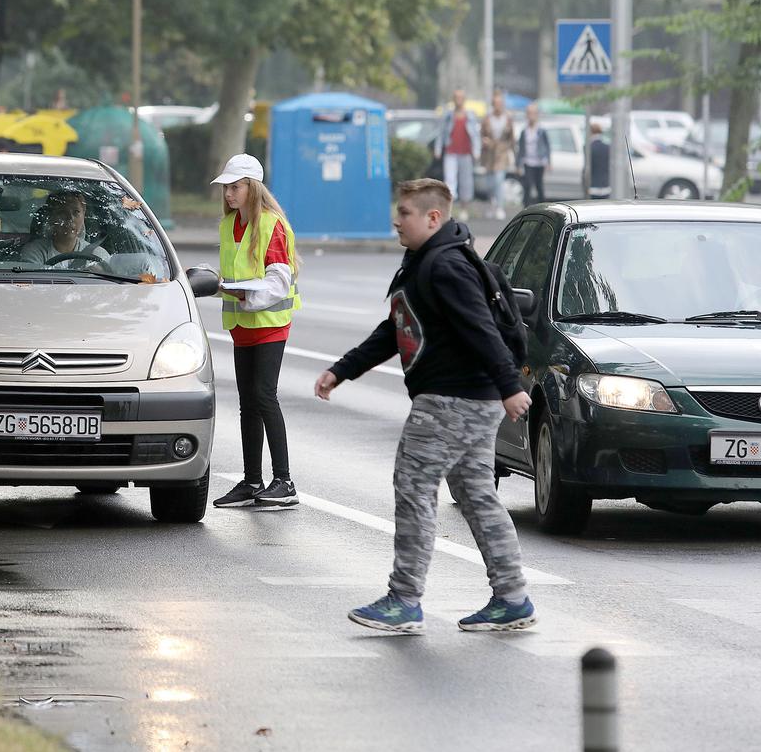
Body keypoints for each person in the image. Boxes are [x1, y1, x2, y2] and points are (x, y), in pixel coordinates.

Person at [313, 178, 535, 635]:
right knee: (476, 494)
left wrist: (510, 386)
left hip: (453, 400)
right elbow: (394, 328)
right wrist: (343, 369)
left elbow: (480, 328)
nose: (396, 220)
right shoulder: (424, 263)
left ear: (433, 218)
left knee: (413, 486)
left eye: (406, 213)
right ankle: (512, 598)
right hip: (469, 399)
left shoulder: (446, 267)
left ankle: (404, 600)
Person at [208, 153, 302, 509]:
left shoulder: (269, 224)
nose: (229, 194)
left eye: (235, 186)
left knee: (264, 396)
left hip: (269, 324)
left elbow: (279, 281)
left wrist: (242, 293)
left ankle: (284, 481)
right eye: (226, 187)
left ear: (253, 188)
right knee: (249, 404)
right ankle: (251, 482)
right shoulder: (228, 225)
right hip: (242, 327)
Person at [21, 190, 110, 267]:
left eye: (76, 212)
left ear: (83, 216)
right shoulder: (35, 251)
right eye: (62, 212)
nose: (70, 218)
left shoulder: (97, 254)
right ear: (51, 217)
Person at [435, 89, 480, 217]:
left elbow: (475, 135)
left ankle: (464, 209)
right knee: (450, 181)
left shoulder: (470, 115)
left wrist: (476, 150)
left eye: (461, 97)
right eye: (456, 97)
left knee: (466, 181)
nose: (458, 100)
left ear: (464, 99)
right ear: (453, 99)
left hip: (465, 153)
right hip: (451, 152)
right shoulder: (448, 115)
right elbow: (441, 132)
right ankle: (449, 210)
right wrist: (438, 149)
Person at [479, 90, 517, 219]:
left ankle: (500, 207)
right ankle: (491, 204)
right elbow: (481, 134)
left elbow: (512, 138)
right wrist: (484, 141)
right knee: (490, 183)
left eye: (500, 103)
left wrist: (513, 154)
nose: (498, 106)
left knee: (499, 181)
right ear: (492, 104)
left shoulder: (508, 119)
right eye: (496, 103)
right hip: (489, 155)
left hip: (502, 153)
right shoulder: (487, 119)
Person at [517, 102, 551, 206]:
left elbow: (547, 146)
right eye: (529, 113)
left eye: (533, 113)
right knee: (527, 185)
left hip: (539, 162)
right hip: (528, 162)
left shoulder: (541, 130)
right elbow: (521, 148)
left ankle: (542, 209)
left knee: (539, 186)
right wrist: (518, 164)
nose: (531, 116)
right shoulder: (524, 131)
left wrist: (548, 161)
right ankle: (526, 208)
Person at [588, 121, 612, 200]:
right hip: (605, 186)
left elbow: (587, 168)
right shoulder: (607, 147)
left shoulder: (588, 148)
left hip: (592, 186)